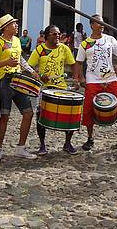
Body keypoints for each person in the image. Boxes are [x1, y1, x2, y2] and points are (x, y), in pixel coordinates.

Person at [74, 14, 117, 152]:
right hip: (93, 80)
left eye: (103, 23)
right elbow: (78, 63)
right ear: (91, 25)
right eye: (98, 23)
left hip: (110, 78)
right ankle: (90, 138)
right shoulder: (85, 43)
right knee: (88, 108)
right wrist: (81, 78)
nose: (101, 25)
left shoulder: (110, 39)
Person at [0, 14, 38, 164]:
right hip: (5, 82)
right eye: (14, 24)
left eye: (16, 24)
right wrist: (6, 62)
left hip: (18, 79)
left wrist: (30, 70)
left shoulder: (16, 40)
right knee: (5, 115)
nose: (17, 26)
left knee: (28, 113)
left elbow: (20, 58)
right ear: (5, 27)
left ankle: (21, 148)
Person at [27, 24, 79, 155]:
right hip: (44, 88)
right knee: (40, 115)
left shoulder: (64, 48)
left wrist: (76, 79)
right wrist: (39, 75)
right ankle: (42, 144)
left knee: (70, 115)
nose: (57, 36)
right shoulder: (39, 50)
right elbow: (29, 68)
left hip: (61, 87)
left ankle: (67, 143)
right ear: (46, 36)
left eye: (58, 34)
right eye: (54, 34)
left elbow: (73, 65)